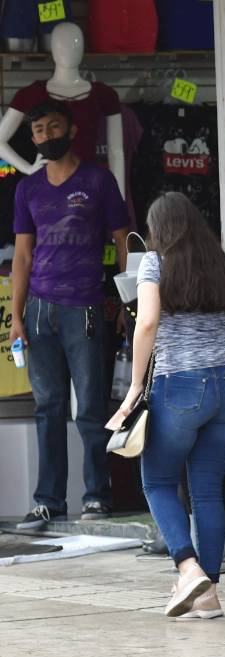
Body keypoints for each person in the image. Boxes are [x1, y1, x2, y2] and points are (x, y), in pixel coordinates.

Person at [106, 192, 225, 619]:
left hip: (179, 383)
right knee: (207, 489)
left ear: (158, 228)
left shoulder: (155, 262)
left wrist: (134, 386)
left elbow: (147, 322)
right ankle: (209, 593)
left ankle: (187, 569)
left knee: (158, 482)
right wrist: (221, 370)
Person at [11, 100, 129, 531]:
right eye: (38, 131)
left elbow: (123, 242)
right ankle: (49, 501)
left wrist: (129, 302)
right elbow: (22, 256)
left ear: (72, 129)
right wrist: (18, 316)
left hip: (86, 306)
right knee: (48, 406)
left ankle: (97, 496)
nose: (44, 136)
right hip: (39, 309)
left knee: (91, 408)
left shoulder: (98, 180)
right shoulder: (28, 188)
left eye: (52, 127)